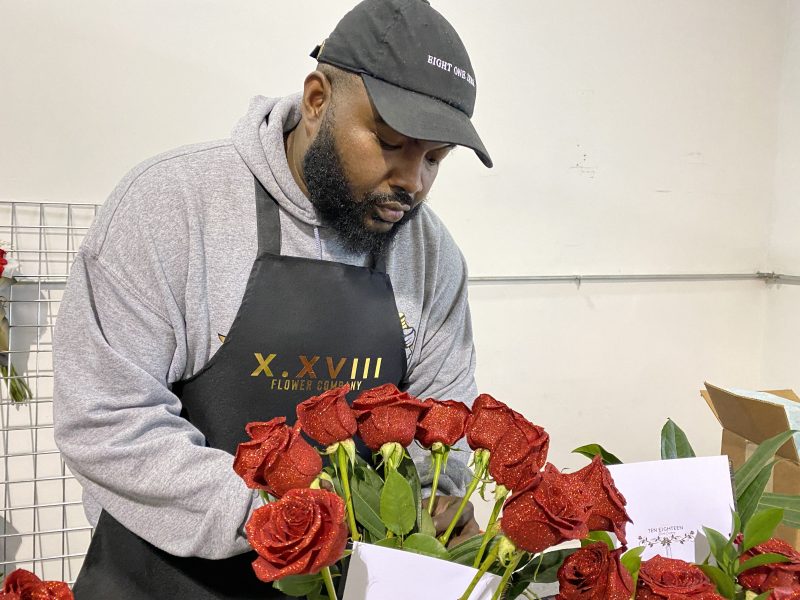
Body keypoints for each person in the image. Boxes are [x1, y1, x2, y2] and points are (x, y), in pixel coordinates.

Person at [53, 0, 492, 597]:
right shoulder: (171, 208)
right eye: (391, 143)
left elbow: (444, 421)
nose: (413, 182)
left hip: (344, 581)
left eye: (435, 158)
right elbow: (107, 420)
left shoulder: (431, 256)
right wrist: (286, 519)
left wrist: (431, 504)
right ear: (317, 101)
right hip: (165, 580)